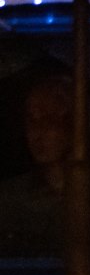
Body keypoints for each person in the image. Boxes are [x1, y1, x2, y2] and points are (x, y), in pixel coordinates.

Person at [0, 76, 72, 258]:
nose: (37, 132)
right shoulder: (9, 198)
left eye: (48, 119)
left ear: (71, 124)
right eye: (31, 120)